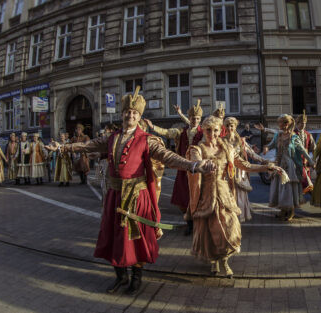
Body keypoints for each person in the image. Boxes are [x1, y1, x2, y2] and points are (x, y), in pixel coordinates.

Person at [45, 86, 215, 295]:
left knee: (136, 238)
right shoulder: (111, 137)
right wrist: (63, 148)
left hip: (137, 197)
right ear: (122, 114)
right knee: (114, 236)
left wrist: (194, 166)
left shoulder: (146, 139)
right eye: (127, 112)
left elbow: (168, 156)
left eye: (135, 113)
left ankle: (136, 276)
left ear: (139, 116)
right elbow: (88, 146)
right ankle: (120, 276)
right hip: (114, 196)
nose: (130, 115)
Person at [187, 115, 283, 278]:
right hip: (207, 195)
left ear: (220, 130)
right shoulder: (198, 149)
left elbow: (245, 165)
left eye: (215, 130)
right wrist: (203, 164)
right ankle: (215, 262)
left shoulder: (227, 149)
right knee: (211, 231)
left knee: (230, 229)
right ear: (204, 130)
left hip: (225, 195)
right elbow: (195, 163)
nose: (212, 133)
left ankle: (225, 260)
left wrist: (266, 167)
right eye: (208, 130)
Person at [145, 100, 204, 235]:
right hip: (183, 170)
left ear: (200, 119)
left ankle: (198, 225)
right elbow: (166, 132)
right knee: (184, 199)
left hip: (198, 171)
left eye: (197, 118)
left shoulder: (204, 133)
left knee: (198, 198)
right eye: (193, 118)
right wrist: (153, 127)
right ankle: (189, 223)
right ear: (189, 119)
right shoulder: (180, 132)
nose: (195, 120)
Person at [223, 117, 271, 222]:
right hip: (227, 171)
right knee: (228, 193)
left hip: (240, 170)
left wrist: (264, 161)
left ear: (235, 126)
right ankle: (229, 216)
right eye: (227, 126)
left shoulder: (241, 141)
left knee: (239, 194)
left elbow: (251, 154)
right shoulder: (222, 141)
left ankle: (239, 215)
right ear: (225, 127)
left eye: (232, 126)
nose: (230, 128)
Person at [267, 114, 314, 221]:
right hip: (279, 164)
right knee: (279, 187)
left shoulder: (294, 137)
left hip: (289, 166)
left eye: (282, 123)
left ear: (287, 124)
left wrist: (311, 161)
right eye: (279, 123)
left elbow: (302, 150)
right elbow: (271, 145)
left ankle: (291, 210)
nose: (280, 125)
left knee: (288, 189)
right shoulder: (278, 135)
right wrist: (266, 148)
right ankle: (283, 210)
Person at [294, 111, 316, 193]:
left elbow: (314, 148)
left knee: (305, 182)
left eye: (305, 123)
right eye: (301, 123)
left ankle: (300, 197)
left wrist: (314, 159)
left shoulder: (308, 135)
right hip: (295, 162)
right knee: (297, 182)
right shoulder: (292, 133)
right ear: (297, 123)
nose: (303, 125)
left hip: (305, 162)